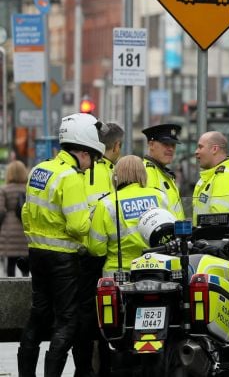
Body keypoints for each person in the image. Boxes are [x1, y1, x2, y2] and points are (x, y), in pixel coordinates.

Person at [18, 113, 105, 377]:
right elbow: (78, 226)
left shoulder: (39, 169)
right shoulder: (70, 177)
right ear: (83, 150)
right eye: (92, 157)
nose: (90, 165)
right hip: (63, 259)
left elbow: (25, 212)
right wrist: (94, 216)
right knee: (67, 321)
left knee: (38, 316)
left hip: (36, 253)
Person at [74, 122, 124, 377]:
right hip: (102, 255)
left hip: (77, 254)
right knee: (108, 315)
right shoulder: (110, 173)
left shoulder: (81, 168)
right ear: (115, 146)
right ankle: (104, 369)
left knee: (83, 318)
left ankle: (83, 370)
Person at [88, 155, 169, 275]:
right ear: (143, 174)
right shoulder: (160, 196)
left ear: (116, 176)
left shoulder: (107, 203)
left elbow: (96, 249)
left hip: (118, 272)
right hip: (155, 268)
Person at [142, 124, 184, 219]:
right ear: (151, 144)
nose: (171, 149)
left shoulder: (163, 172)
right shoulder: (144, 173)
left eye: (173, 145)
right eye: (165, 144)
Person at [0, 160, 29, 277]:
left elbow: (1, 211)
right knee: (25, 266)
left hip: (9, 232)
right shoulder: (28, 189)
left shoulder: (4, 189)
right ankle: (27, 289)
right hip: (25, 230)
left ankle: (10, 291)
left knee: (10, 265)